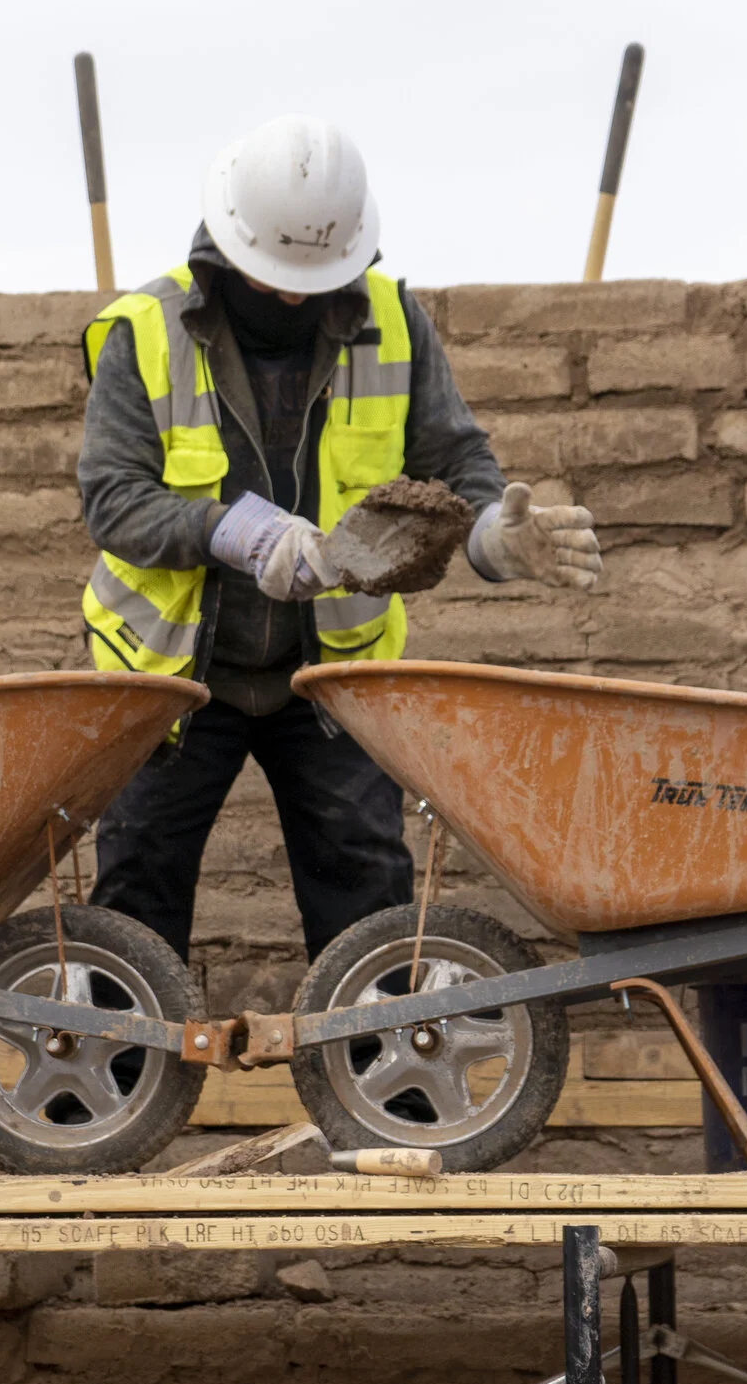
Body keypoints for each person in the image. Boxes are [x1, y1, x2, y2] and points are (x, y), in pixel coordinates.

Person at [75, 114, 603, 965]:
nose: (292, 296)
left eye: (311, 279)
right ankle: (111, 1092)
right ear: (230, 246)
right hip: (175, 675)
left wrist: (487, 544)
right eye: (275, 277)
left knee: (365, 889)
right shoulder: (145, 330)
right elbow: (113, 501)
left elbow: (454, 457)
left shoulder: (392, 320)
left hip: (328, 675)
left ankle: (384, 1092)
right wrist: (240, 534)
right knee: (138, 885)